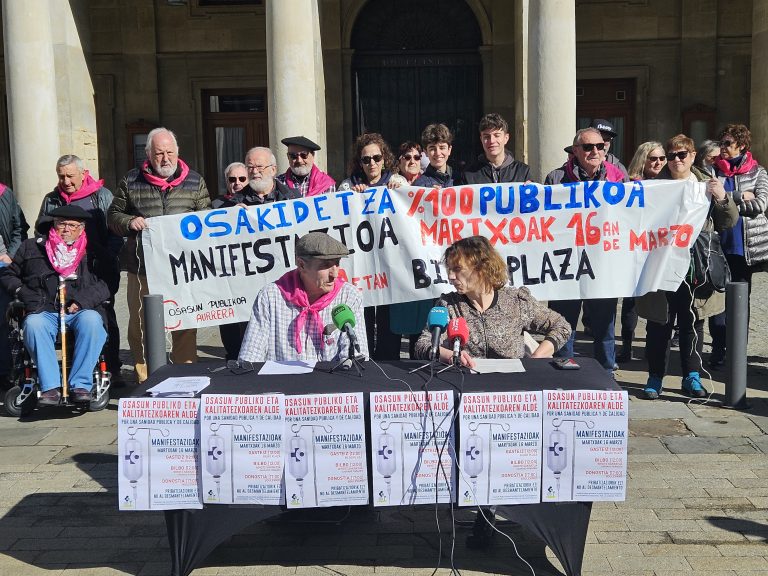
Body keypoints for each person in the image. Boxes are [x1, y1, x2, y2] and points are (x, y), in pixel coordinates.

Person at [637, 134, 737, 399]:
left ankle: (691, 375)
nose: (676, 160)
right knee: (659, 322)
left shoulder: (706, 183)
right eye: (671, 156)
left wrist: (723, 198)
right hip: (660, 265)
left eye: (682, 155)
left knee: (693, 320)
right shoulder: (654, 186)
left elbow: (728, 221)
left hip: (696, 266)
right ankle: (655, 376)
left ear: (693, 156)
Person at [108, 127, 211, 383]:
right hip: (142, 267)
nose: (165, 159)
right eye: (159, 154)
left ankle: (185, 374)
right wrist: (130, 221)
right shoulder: (131, 181)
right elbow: (113, 216)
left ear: (178, 152)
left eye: (169, 153)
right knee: (140, 325)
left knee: (185, 322)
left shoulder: (195, 181)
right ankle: (146, 378)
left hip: (183, 268)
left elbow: (206, 219)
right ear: (149, 155)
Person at [0, 206, 118, 405]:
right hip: (43, 308)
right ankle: (50, 387)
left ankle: (81, 384)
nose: (66, 229)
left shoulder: (94, 250)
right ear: (53, 224)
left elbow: (109, 281)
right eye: (61, 223)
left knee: (92, 322)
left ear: (82, 228)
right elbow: (8, 274)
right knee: (34, 325)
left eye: (72, 225)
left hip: (81, 309)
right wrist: (23, 293)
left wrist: (82, 302)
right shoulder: (31, 247)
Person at [544, 127, 628, 372]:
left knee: (604, 324)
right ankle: (563, 373)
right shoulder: (556, 179)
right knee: (563, 323)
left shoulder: (616, 177)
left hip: (603, 262)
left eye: (600, 147)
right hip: (566, 263)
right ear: (575, 151)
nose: (595, 151)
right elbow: (542, 219)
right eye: (588, 147)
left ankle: (606, 373)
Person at [414, 236, 571, 365]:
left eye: (457, 269)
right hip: (466, 385)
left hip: (513, 388)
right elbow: (423, 345)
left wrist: (537, 358)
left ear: (482, 268)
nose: (451, 276)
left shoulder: (517, 301)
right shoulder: (447, 305)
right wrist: (450, 356)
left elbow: (561, 326)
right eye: (449, 269)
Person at [37, 155, 124, 384]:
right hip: (63, 269)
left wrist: (108, 257)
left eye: (70, 176)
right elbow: (42, 232)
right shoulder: (52, 199)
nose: (65, 181)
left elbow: (115, 231)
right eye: (61, 176)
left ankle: (112, 367)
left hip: (96, 269)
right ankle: (74, 368)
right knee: (68, 314)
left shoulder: (101, 196)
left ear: (83, 174)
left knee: (106, 316)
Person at [238, 232, 368, 362]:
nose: (334, 274)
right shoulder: (269, 296)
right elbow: (250, 358)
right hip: (280, 381)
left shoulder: (349, 295)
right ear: (301, 265)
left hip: (332, 381)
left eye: (337, 263)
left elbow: (356, 358)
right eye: (326, 265)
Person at [706, 124, 768, 367]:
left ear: (742, 146)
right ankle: (718, 347)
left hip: (746, 247)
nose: (722, 148)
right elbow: (708, 202)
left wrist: (725, 198)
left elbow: (761, 205)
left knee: (741, 298)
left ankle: (738, 349)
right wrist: (741, 196)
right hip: (719, 243)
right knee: (717, 298)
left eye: (728, 144)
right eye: (721, 143)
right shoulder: (712, 170)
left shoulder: (758, 172)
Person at [340, 133, 399, 358]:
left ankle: (388, 359)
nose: (372, 163)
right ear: (359, 162)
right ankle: (362, 355)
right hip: (361, 261)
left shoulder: (397, 181)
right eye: (366, 159)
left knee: (386, 313)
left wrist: (398, 191)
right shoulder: (348, 185)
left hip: (388, 260)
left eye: (376, 158)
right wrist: (349, 197)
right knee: (361, 311)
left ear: (384, 159)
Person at [618, 141, 666, 362]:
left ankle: (651, 346)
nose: (658, 163)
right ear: (643, 159)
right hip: (635, 249)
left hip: (660, 249)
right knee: (631, 302)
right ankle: (626, 345)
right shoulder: (630, 185)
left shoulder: (670, 184)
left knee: (658, 300)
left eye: (661, 158)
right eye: (653, 158)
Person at [0, 182, 28, 386]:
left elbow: (19, 227)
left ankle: (5, 373)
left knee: (3, 320)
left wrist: (10, 255)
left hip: (2, 265)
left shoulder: (4, 194)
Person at [460, 113, 531, 184]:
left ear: (506, 138)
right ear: (481, 139)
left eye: (497, 136)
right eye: (487, 137)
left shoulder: (523, 172)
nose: (492, 141)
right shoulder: (469, 175)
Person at [413, 123, 454, 188]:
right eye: (432, 148)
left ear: (449, 150)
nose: (437, 153)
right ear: (426, 152)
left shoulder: (461, 179)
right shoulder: (420, 186)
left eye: (442, 148)